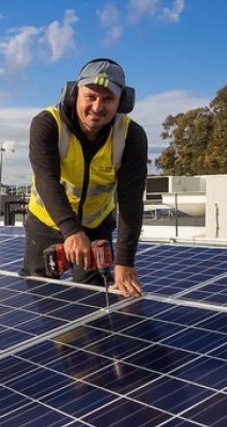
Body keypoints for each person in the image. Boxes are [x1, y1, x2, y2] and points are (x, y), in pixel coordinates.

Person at [21, 58, 147, 297]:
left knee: (96, 296)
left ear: (122, 101)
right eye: (90, 96)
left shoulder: (131, 135)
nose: (98, 107)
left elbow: (131, 201)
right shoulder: (47, 124)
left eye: (108, 99)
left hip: (96, 227)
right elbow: (47, 179)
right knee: (40, 293)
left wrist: (125, 262)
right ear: (74, 94)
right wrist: (71, 230)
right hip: (47, 224)